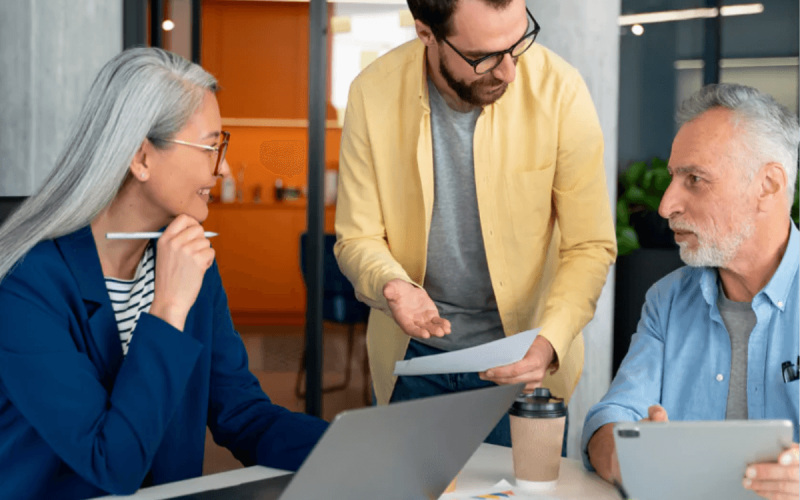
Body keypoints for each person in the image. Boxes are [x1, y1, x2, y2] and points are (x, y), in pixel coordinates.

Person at [0, 48, 327, 500]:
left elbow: (244, 414)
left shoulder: (189, 262)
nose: (224, 168)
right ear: (141, 159)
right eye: (212, 147)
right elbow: (111, 464)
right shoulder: (28, 285)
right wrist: (168, 308)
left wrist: (356, 448)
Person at [334, 0, 616, 448]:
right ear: (427, 34)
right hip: (414, 364)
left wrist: (550, 342)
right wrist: (392, 285)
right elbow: (358, 236)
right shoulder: (373, 92)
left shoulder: (560, 90)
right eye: (484, 56)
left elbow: (589, 245)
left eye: (518, 42)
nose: (509, 72)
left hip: (524, 362)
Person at [582, 84, 799, 499]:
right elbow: (608, 420)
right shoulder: (667, 300)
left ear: (768, 186)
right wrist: (628, 455)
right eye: (673, 178)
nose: (665, 206)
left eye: (695, 179)